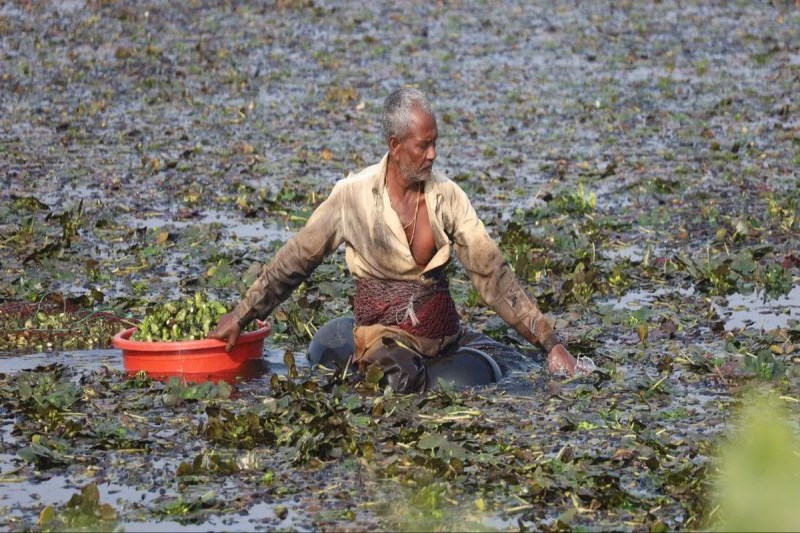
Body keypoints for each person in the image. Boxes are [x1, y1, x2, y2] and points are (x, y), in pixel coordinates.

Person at [209, 87, 585, 393]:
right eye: (423, 146)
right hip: (384, 339)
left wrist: (551, 343)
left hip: (445, 337)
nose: (433, 155)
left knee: (518, 368)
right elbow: (295, 260)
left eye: (435, 143)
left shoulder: (448, 197)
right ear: (394, 145)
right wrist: (243, 315)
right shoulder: (351, 196)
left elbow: (493, 275)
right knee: (400, 380)